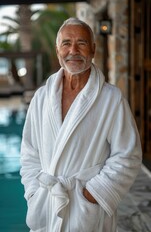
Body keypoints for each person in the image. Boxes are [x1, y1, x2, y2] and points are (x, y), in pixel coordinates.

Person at [20, 17, 142, 232]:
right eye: (66, 43)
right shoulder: (41, 98)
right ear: (57, 50)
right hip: (47, 203)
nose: (73, 50)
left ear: (93, 50)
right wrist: (33, 191)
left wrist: (94, 194)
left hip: (87, 210)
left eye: (82, 43)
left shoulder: (111, 99)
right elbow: (29, 152)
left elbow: (128, 155)